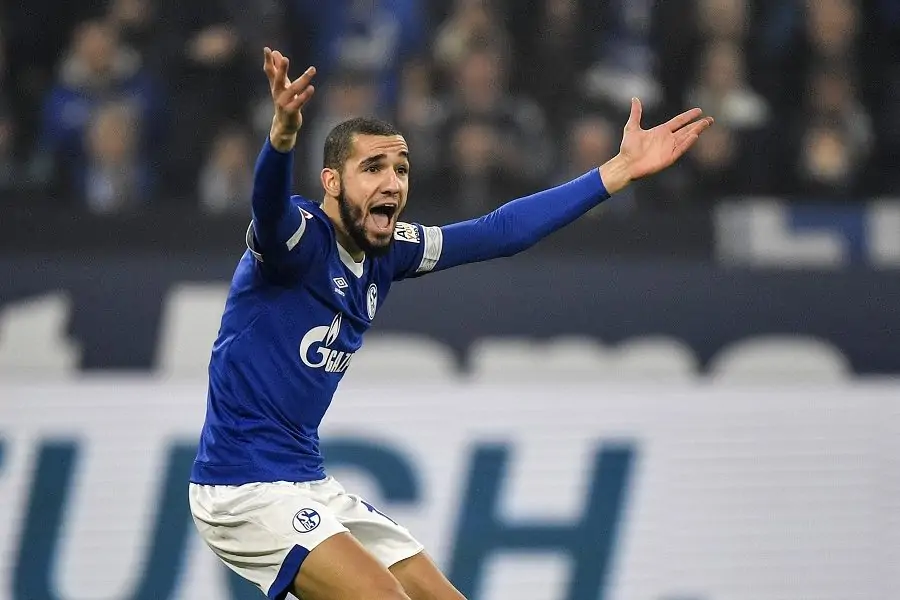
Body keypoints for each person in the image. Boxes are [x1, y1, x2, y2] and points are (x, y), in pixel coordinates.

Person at [188, 47, 714, 600]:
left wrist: (617, 171)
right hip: (241, 485)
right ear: (332, 182)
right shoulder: (298, 241)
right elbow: (267, 208)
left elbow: (500, 231)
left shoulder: (388, 252)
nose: (393, 183)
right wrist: (281, 137)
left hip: (305, 479)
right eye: (373, 168)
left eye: (400, 169)